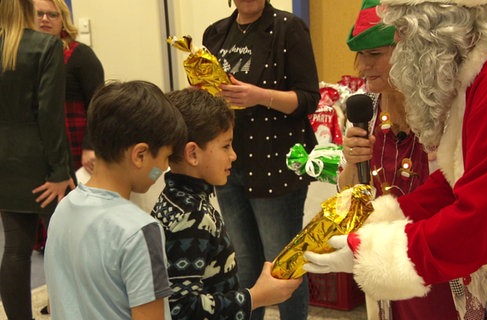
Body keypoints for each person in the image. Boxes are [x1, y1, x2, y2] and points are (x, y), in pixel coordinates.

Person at [304, 0, 487, 319]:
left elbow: (481, 222)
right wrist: (385, 220)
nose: (363, 65)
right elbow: (458, 177)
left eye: (402, 35)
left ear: (432, 29)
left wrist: (375, 253)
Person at [338, 1, 458, 319]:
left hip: (447, 265)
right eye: (360, 56)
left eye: (374, 55)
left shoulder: (449, 110)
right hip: (390, 265)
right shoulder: (366, 110)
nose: (362, 67)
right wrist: (352, 162)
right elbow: (352, 197)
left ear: (410, 52)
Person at [202, 1, 320, 319]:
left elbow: (309, 99)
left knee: (282, 268)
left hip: (278, 166)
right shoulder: (215, 34)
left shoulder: (289, 28)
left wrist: (260, 96)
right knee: (243, 265)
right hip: (229, 164)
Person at [151, 89, 302, 319]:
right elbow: (181, 309)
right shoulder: (190, 217)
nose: (233, 155)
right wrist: (257, 296)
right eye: (226, 146)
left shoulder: (178, 199)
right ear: (193, 153)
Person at [44, 80, 188, 320]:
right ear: (140, 155)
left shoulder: (64, 208)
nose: (163, 168)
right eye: (165, 157)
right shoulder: (140, 231)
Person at [0, 0, 75, 318]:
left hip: (4, 161)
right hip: (41, 165)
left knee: (15, 249)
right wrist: (60, 169)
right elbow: (49, 115)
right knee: (67, 248)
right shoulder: (45, 45)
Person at [34, 0, 104, 173]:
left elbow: (99, 104)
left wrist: (90, 146)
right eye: (39, 14)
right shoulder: (20, 56)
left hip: (75, 145)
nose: (45, 19)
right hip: (37, 147)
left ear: (63, 20)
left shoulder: (81, 55)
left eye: (52, 15)